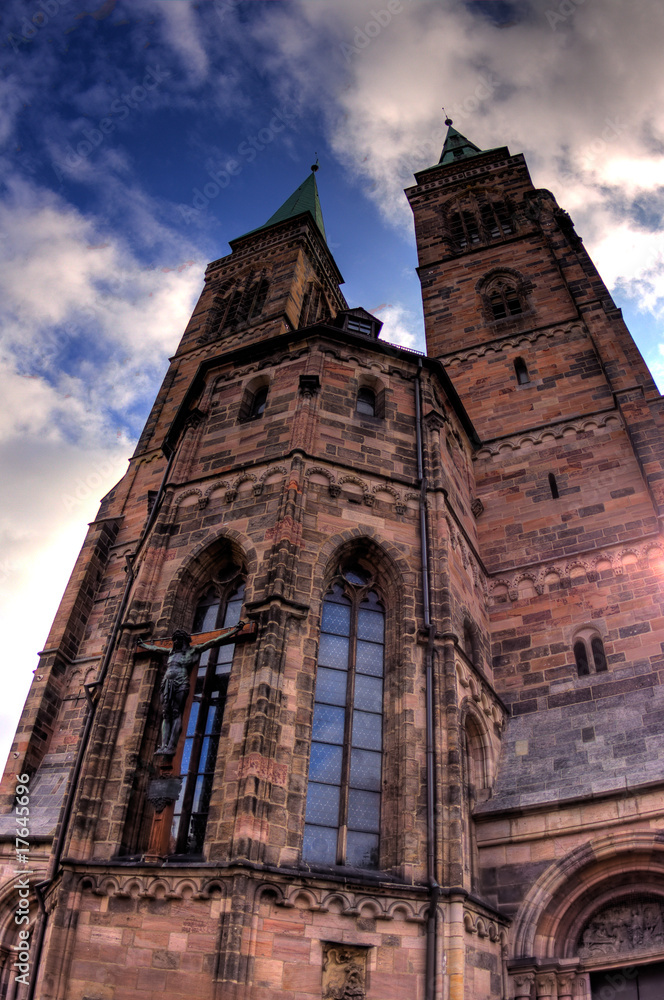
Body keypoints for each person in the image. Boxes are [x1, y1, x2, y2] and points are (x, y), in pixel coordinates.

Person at [138, 622, 245, 754]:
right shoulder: (171, 652)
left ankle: (171, 746)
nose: (176, 641)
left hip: (181, 681)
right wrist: (143, 645)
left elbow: (214, 640)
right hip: (167, 683)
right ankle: (163, 746)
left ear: (184, 640)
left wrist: (234, 631)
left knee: (176, 713)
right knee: (166, 714)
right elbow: (156, 649)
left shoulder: (192, 651)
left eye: (178, 639)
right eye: (174, 639)